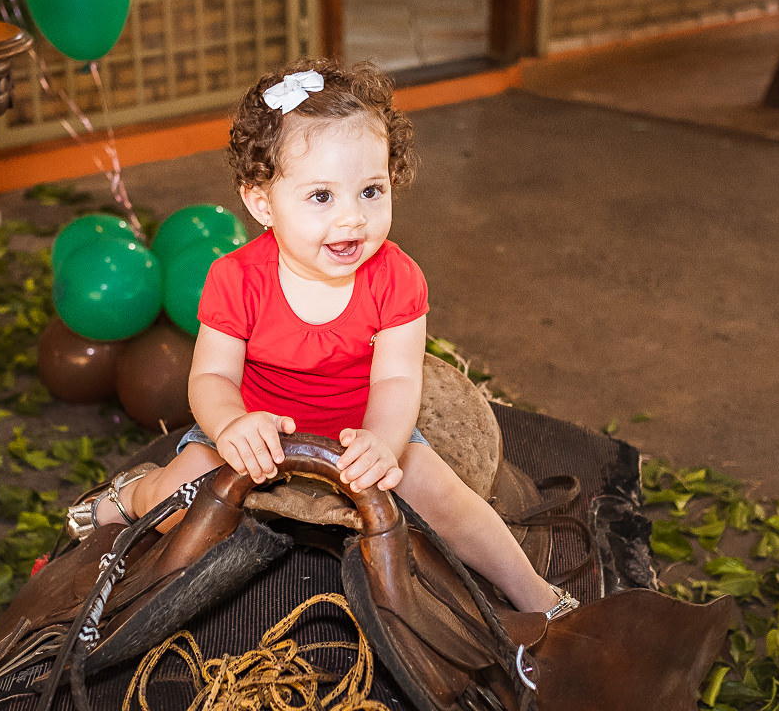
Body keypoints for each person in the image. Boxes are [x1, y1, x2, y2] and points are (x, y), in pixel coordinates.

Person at [86, 57, 576, 618]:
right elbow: (212, 376)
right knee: (182, 498)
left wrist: (382, 442)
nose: (352, 219)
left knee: (446, 499)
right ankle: (132, 495)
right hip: (255, 430)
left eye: (371, 191)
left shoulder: (397, 277)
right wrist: (231, 425)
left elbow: (396, 378)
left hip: (359, 428)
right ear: (262, 202)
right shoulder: (235, 278)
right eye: (322, 196)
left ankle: (538, 597)